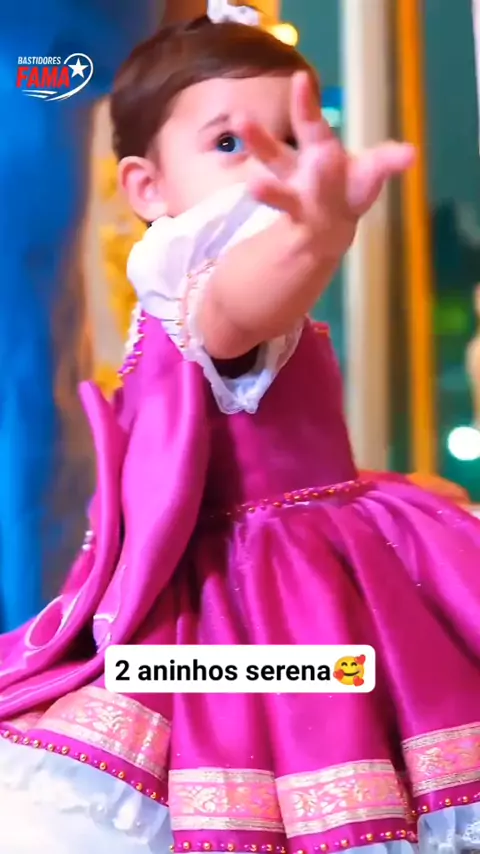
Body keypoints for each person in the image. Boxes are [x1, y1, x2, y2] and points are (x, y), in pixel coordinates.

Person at [0, 7, 480, 853]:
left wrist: (312, 238)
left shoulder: (239, 285)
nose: (269, 167)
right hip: (240, 590)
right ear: (148, 188)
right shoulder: (192, 285)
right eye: (229, 143)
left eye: (290, 140)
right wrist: (312, 237)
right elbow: (233, 306)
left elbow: (256, 301)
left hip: (295, 577)